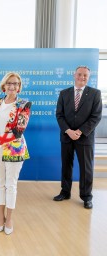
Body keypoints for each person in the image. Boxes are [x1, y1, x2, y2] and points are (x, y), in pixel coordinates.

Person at [0, 72, 31, 235]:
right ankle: (0, 217)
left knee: (11, 184)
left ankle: (9, 219)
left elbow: (18, 131)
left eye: (16, 84)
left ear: (19, 87)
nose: (12, 86)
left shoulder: (24, 105)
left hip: (14, 148)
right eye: (9, 83)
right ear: (3, 85)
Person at [54, 66, 102, 209]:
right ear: (74, 75)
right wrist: (68, 131)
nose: (82, 77)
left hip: (85, 137)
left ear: (89, 77)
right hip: (67, 136)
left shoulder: (95, 94)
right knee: (66, 166)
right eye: (79, 74)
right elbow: (59, 115)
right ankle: (65, 191)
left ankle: (86, 196)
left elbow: (96, 117)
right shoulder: (64, 93)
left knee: (86, 168)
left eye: (85, 75)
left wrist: (80, 131)